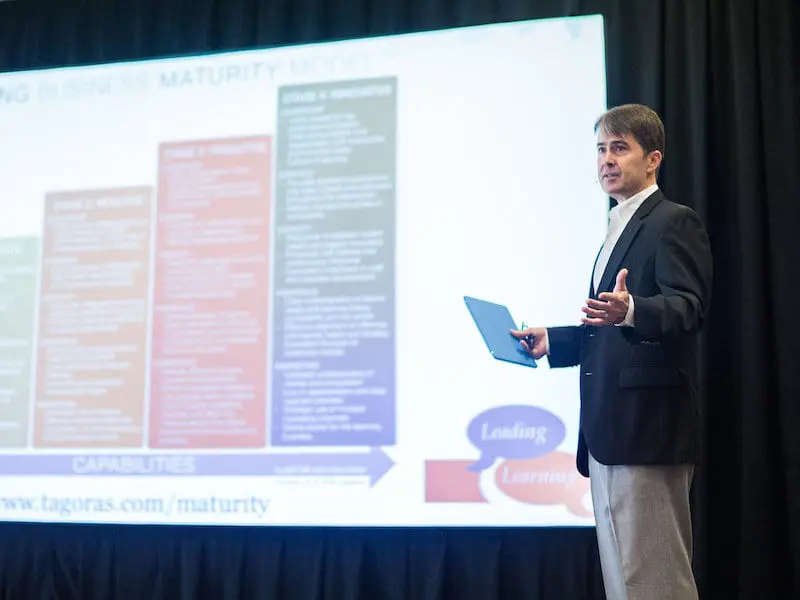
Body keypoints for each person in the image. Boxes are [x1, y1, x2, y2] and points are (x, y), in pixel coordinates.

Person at [511, 104, 713, 600]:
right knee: (625, 582)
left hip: (647, 432)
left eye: (620, 148)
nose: (606, 160)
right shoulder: (615, 227)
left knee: (656, 581)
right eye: (601, 149)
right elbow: (605, 331)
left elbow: (689, 309)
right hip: (608, 432)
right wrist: (552, 341)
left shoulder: (672, 222)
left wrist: (631, 309)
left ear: (653, 160)